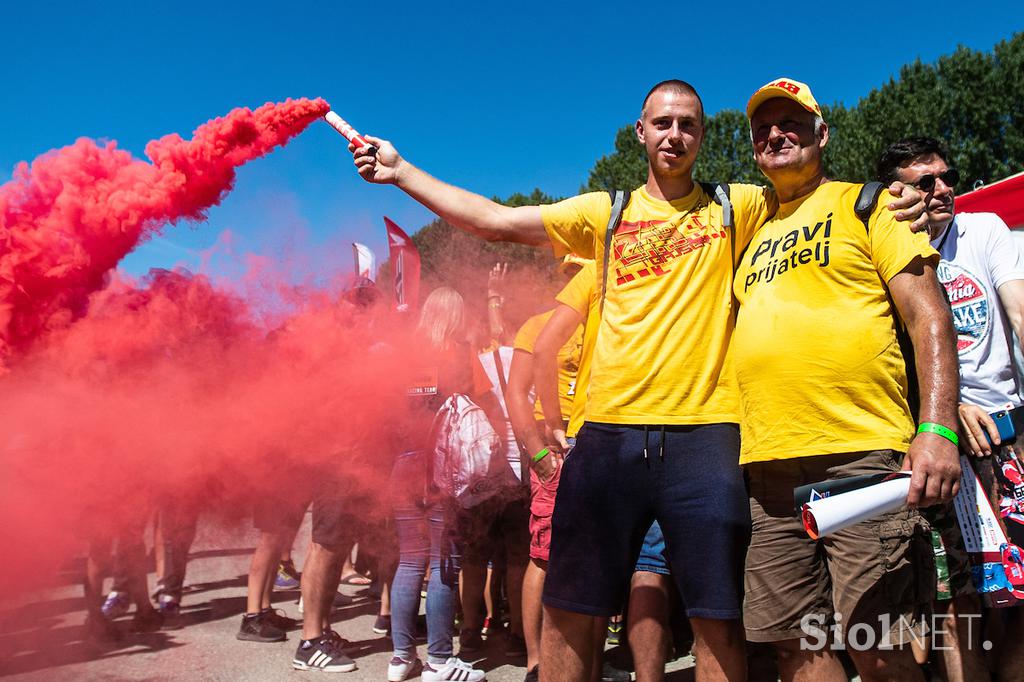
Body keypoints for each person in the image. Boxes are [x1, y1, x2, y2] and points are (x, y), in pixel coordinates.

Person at [347, 78, 926, 682]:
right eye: (663, 123)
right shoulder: (607, 211)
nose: (675, 134)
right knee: (572, 608)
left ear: (703, 136)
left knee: (715, 617)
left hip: (708, 441)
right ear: (641, 132)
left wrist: (898, 200)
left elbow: (813, 195)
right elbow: (496, 220)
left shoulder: (740, 206)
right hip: (608, 439)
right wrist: (402, 171)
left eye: (688, 125)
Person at [733, 80, 961, 682]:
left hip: (861, 458)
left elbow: (928, 314)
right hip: (769, 468)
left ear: (822, 134)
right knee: (795, 643)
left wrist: (937, 428)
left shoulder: (867, 204)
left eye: (792, 123)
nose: (777, 134)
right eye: (764, 128)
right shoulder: (750, 232)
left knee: (877, 643)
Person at [879, 135, 1024, 681]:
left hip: (1006, 438)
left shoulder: (983, 229)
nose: (941, 190)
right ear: (896, 192)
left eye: (947, 177)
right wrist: (947, 408)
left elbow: (1018, 310)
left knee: (1017, 601)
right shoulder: (883, 248)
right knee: (953, 604)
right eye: (924, 182)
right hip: (936, 444)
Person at [386, 287, 493, 682]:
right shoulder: (462, 352)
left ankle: (400, 658)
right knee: (444, 565)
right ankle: (438, 660)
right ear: (457, 315)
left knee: (410, 562)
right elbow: (486, 403)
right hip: (441, 470)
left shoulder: (404, 355)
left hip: (403, 466)